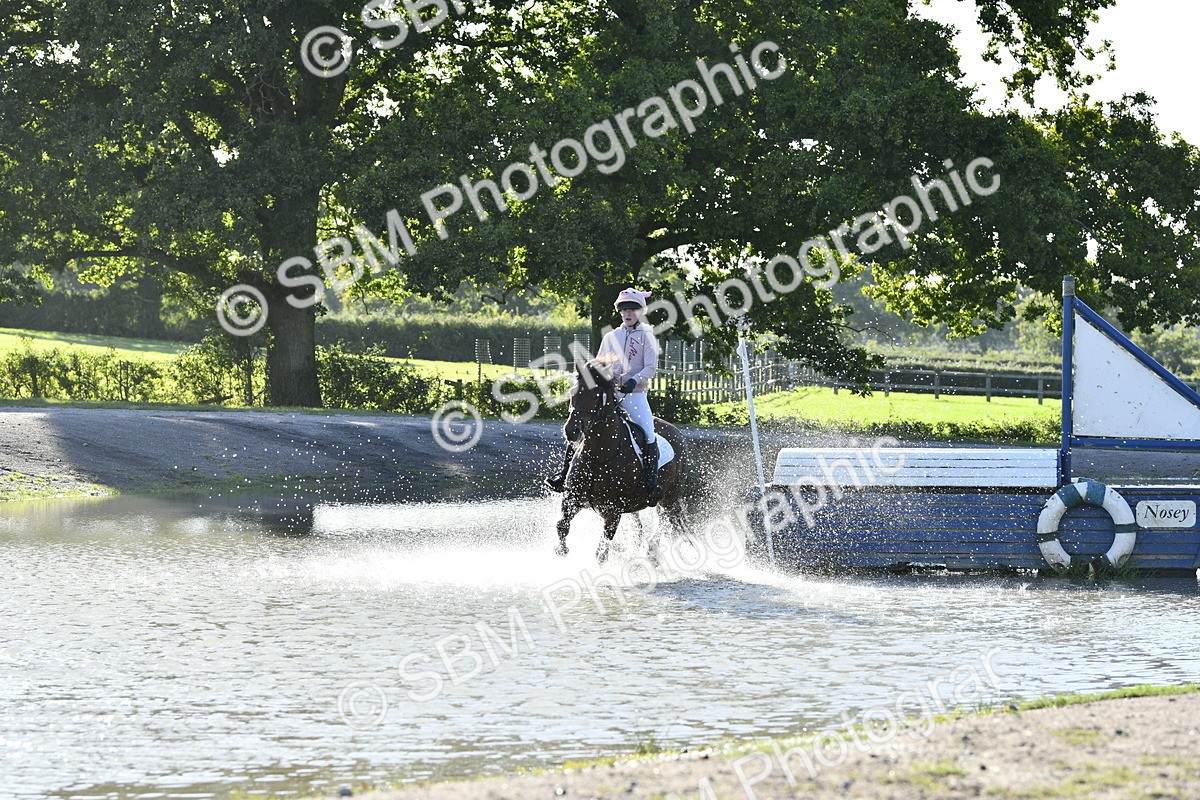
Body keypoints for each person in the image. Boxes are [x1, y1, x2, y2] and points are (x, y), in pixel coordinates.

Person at [546, 287, 663, 501]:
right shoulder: (611, 336)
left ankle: (651, 483)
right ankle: (564, 476)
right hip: (610, 394)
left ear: (640, 311)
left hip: (635, 395)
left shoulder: (648, 336)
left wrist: (633, 380)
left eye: (633, 310)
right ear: (620, 313)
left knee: (648, 433)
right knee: (582, 424)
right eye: (624, 310)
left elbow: (651, 368)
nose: (628, 314)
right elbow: (600, 364)